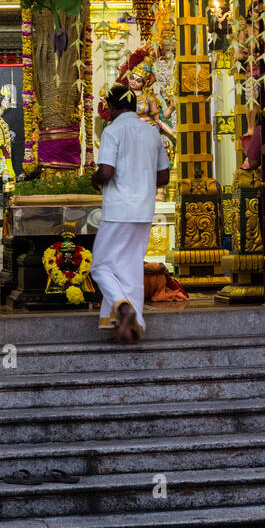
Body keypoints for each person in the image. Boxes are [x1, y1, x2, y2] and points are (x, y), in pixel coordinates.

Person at [90, 83, 170, 343]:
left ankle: (122, 306)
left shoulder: (113, 131)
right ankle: (132, 324)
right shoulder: (152, 133)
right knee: (130, 267)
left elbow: (106, 172)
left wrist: (93, 180)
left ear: (112, 108)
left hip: (118, 210)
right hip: (144, 210)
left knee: (101, 266)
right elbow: (164, 176)